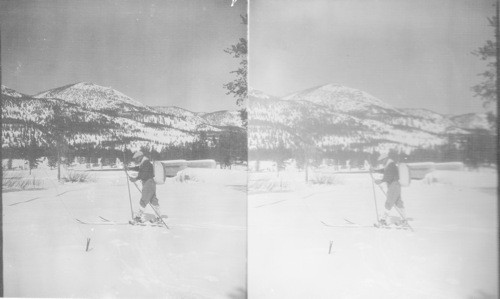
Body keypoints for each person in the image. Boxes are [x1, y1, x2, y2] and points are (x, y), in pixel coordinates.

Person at [373, 153, 407, 226]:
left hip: (393, 185)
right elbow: (385, 171)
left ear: (385, 159)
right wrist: (376, 170)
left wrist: (380, 181)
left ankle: (383, 221)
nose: (381, 162)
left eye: (382, 161)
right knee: (398, 203)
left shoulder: (390, 165)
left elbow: (389, 176)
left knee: (389, 203)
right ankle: (404, 221)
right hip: (395, 185)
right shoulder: (390, 164)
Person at [128, 151, 162, 224]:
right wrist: (130, 168)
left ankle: (137, 218)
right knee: (153, 200)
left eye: (136, 158)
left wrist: (135, 179)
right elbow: (140, 169)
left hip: (148, 183)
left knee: (143, 200)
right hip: (150, 183)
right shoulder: (144, 162)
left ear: (140, 157)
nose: (136, 160)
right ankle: (158, 218)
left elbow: (144, 174)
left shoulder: (145, 163)